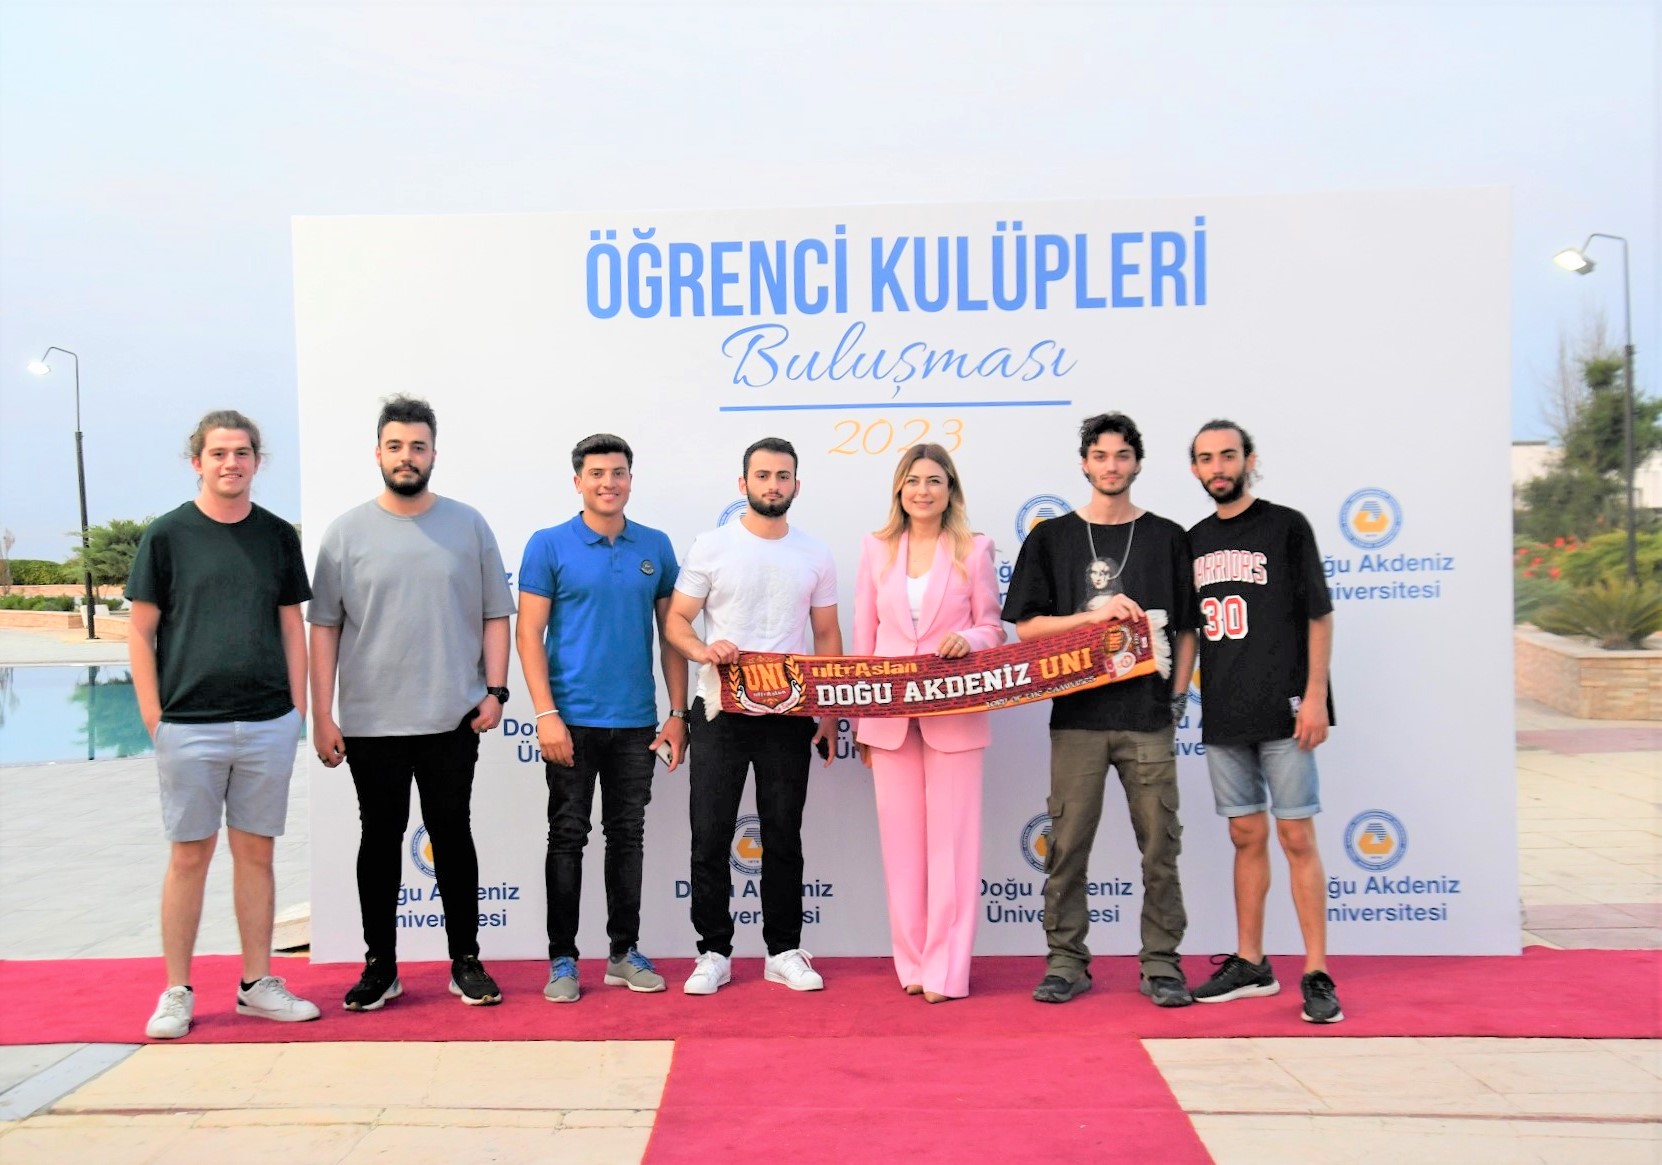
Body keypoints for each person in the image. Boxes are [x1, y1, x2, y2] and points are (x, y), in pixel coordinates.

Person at [309, 395, 515, 1010]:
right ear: (378, 453)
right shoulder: (344, 533)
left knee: (453, 837)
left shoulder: (469, 525)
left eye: (417, 446)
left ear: (433, 454)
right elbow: (325, 628)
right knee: (379, 842)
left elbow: (496, 613)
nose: (407, 456)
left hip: (453, 717)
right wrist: (322, 714)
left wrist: (496, 691)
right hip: (371, 723)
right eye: (395, 446)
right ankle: (381, 966)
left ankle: (465, 960)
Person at [127, 410, 320, 1039]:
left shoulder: (277, 536)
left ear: (257, 461)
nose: (231, 463)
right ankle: (176, 991)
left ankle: (257, 984)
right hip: (188, 724)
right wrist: (154, 717)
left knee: (257, 854)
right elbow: (140, 630)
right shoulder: (167, 536)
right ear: (198, 462)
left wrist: (296, 710)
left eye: (242, 453)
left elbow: (291, 625)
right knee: (189, 856)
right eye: (218, 453)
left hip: (267, 723)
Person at [1002, 412, 1199, 1007]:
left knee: (1160, 848)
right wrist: (1092, 617)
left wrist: (1177, 698)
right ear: (1084, 464)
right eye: (1101, 456)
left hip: (1148, 720)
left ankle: (1161, 964)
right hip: (1077, 720)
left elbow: (1186, 630)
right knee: (1066, 848)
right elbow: (1027, 629)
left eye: (1122, 455)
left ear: (1137, 463)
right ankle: (1066, 962)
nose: (1111, 466)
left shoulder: (1168, 537)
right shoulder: (1052, 539)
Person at [664, 437, 841, 995]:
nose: (773, 485)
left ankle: (783, 950)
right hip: (720, 710)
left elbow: (827, 634)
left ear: (796, 485)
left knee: (784, 834)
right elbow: (676, 621)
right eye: (762, 475)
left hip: (789, 714)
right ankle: (713, 952)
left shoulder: (816, 553)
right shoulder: (712, 546)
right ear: (743, 484)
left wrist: (829, 713)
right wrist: (703, 650)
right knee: (709, 834)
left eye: (782, 476)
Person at [516, 433, 689, 1003]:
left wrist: (677, 712)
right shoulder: (548, 544)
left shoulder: (656, 546)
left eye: (618, 473)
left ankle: (623, 953)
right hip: (570, 720)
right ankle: (563, 960)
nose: (608, 483)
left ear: (630, 480)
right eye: (596, 474)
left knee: (627, 836)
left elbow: (672, 635)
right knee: (567, 836)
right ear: (578, 482)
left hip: (637, 722)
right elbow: (528, 634)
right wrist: (546, 714)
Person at [1186, 419, 1342, 1023]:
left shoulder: (1286, 526)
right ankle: (1251, 962)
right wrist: (1176, 699)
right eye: (1206, 458)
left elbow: (1319, 615)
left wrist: (1316, 695)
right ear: (1195, 470)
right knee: (1245, 836)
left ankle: (1317, 970)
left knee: (1297, 837)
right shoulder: (1193, 540)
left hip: (1286, 708)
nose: (1218, 467)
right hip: (1226, 711)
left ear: (1249, 460)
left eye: (1228, 455)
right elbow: (1189, 632)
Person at [852, 444, 1004, 1002]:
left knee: (952, 848)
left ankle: (946, 971)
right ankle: (913, 965)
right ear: (900, 489)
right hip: (889, 720)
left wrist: (971, 638)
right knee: (902, 850)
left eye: (934, 481)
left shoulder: (974, 548)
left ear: (950, 490)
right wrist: (862, 721)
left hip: (955, 716)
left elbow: (995, 628)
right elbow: (864, 640)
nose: (923, 490)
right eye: (913, 480)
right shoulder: (875, 548)